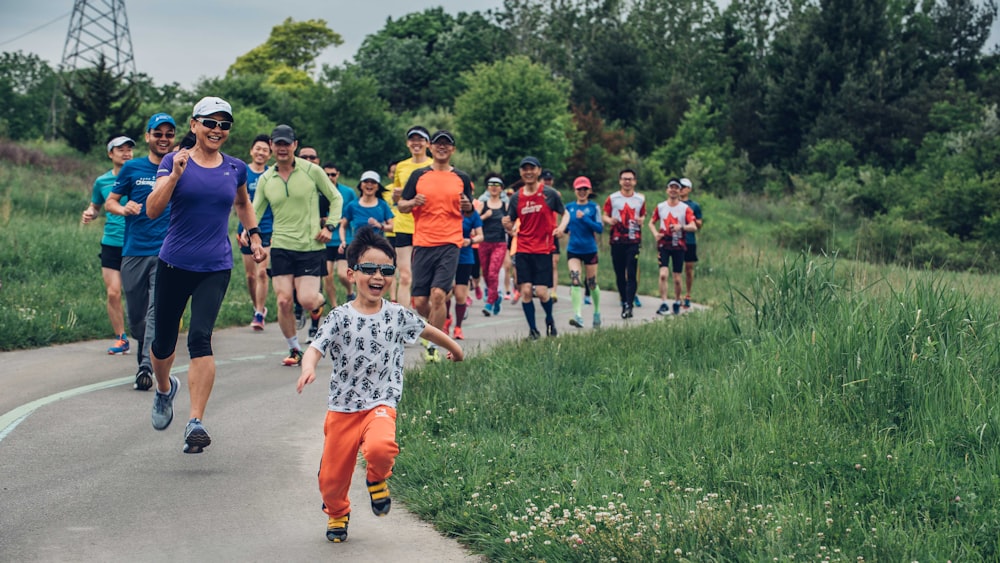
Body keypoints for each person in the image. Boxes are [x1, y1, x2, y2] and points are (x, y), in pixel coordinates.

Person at [296, 226, 463, 543]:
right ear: (351, 273)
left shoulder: (397, 314)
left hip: (381, 403)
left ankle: (376, 480)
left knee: (381, 449)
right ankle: (337, 512)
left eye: (386, 270)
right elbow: (316, 347)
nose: (378, 276)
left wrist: (454, 348)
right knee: (331, 482)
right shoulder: (339, 317)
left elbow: (427, 330)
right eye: (369, 268)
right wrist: (308, 367)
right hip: (342, 409)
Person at [145, 96, 265, 454]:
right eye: (209, 123)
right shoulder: (173, 161)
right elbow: (153, 210)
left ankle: (195, 421)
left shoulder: (236, 168)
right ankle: (165, 389)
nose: (217, 130)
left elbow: (242, 203)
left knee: (200, 338)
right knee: (164, 342)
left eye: (224, 125)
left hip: (215, 266)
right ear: (194, 125)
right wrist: (175, 176)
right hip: (173, 264)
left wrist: (254, 235)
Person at [253, 124, 343, 367]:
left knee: (305, 300)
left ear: (294, 145)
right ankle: (294, 348)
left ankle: (319, 303)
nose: (282, 148)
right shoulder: (265, 179)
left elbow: (336, 198)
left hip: (310, 247)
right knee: (283, 301)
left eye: (286, 144)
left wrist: (330, 226)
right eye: (278, 144)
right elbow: (254, 211)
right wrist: (249, 234)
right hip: (281, 245)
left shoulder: (311, 171)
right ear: (272, 146)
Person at [106, 113, 175, 391]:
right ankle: (142, 349)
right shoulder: (132, 168)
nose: (163, 139)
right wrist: (124, 208)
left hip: (166, 251)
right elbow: (111, 202)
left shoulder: (178, 168)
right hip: (134, 250)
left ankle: (146, 366)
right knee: (137, 315)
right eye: (158, 133)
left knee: (155, 311)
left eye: (169, 134)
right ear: (148, 136)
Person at [397, 129, 473, 362]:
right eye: (438, 144)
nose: (442, 147)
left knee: (438, 295)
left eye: (447, 144)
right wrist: (411, 202)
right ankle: (437, 325)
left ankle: (433, 345)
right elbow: (401, 205)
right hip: (422, 242)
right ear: (431, 147)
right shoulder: (418, 176)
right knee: (420, 301)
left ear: (453, 149)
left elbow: (469, 208)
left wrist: (467, 205)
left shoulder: (462, 177)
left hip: (450, 242)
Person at [81, 134, 134, 354]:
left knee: (139, 294)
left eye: (129, 149)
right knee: (113, 292)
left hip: (136, 243)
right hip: (111, 242)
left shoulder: (140, 176)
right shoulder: (102, 181)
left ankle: (153, 334)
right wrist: (90, 213)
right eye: (120, 149)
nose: (126, 153)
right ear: (110, 154)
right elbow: (96, 205)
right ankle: (121, 338)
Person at [503, 156, 566, 340]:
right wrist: (506, 224)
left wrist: (561, 228)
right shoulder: (516, 198)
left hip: (543, 249)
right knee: (525, 291)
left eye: (532, 168)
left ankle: (549, 319)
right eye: (524, 169)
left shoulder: (550, 194)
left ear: (538, 171)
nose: (528, 172)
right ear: (521, 172)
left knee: (542, 292)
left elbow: (566, 214)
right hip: (523, 249)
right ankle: (533, 330)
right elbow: (511, 225)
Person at [387, 126, 432, 308]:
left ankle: (435, 313)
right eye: (412, 140)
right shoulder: (401, 167)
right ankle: (403, 322)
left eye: (420, 140)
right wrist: (397, 196)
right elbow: (397, 196)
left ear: (427, 144)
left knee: (424, 277)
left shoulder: (433, 165)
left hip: (427, 225)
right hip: (404, 224)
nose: (416, 143)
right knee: (404, 276)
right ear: (407, 143)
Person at [239, 134, 273, 331]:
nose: (261, 153)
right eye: (258, 149)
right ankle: (256, 306)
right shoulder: (242, 172)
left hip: (267, 229)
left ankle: (259, 313)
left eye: (265, 150)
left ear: (269, 155)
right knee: (250, 275)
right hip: (244, 230)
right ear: (251, 151)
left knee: (262, 273)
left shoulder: (271, 175)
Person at [649, 178, 698, 315]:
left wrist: (680, 227)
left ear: (679, 190)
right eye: (671, 187)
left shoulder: (685, 208)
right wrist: (655, 234)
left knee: (677, 278)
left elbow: (694, 226)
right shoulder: (660, 207)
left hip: (679, 245)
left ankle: (677, 301)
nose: (673, 190)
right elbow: (651, 222)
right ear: (667, 189)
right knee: (663, 274)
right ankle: (663, 302)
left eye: (676, 188)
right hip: (664, 244)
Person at [560, 176, 604, 328]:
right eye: (579, 189)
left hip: (590, 249)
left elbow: (599, 228)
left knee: (591, 283)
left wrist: (585, 218)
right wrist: (562, 230)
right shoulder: (569, 207)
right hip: (573, 250)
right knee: (575, 279)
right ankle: (577, 315)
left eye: (585, 189)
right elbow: (565, 227)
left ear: (589, 191)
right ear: (575, 190)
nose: (582, 192)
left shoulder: (594, 208)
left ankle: (597, 312)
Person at [603, 168, 646, 319]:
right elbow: (605, 215)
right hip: (617, 239)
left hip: (633, 240)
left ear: (634, 181)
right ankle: (623, 298)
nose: (627, 182)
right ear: (620, 181)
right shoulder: (612, 198)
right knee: (620, 273)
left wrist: (642, 221)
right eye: (624, 179)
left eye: (630, 179)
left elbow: (642, 215)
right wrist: (609, 220)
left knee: (632, 272)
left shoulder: (640, 199)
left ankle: (629, 305)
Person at [322, 163, 358, 312]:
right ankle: (335, 307)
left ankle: (350, 293)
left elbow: (354, 211)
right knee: (327, 276)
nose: (330, 178)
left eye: (333, 174)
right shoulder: (319, 192)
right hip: (325, 239)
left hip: (344, 238)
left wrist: (345, 221)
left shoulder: (348, 192)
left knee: (343, 274)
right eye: (327, 175)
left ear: (338, 175)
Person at [477, 173, 508, 317]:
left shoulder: (505, 206)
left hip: (499, 243)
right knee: (485, 274)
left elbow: (512, 224)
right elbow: (474, 223)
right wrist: (485, 216)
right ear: (487, 188)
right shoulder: (482, 205)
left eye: (497, 185)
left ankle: (489, 303)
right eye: (491, 185)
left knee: (493, 273)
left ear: (501, 188)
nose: (494, 188)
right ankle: (496, 297)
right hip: (484, 243)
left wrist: (508, 226)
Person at [452, 203, 483, 340]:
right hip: (445, 256)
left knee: (460, 295)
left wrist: (470, 241)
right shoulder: (447, 209)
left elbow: (480, 236)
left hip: (465, 257)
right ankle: (446, 318)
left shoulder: (471, 213)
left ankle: (458, 327)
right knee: (444, 293)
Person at [339, 170, 394, 242]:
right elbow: (343, 226)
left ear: (377, 187)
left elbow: (392, 227)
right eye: (366, 181)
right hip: (359, 245)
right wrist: (343, 241)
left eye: (373, 182)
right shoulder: (352, 205)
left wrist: (380, 225)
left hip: (378, 245)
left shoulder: (382, 205)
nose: (369, 184)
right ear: (361, 185)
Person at [679, 177, 703, 309]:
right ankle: (678, 295)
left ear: (689, 189)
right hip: (676, 240)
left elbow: (699, 224)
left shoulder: (694, 205)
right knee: (677, 270)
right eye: (679, 186)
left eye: (684, 187)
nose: (681, 189)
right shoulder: (673, 203)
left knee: (688, 268)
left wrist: (692, 219)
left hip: (689, 240)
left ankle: (688, 295)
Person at [540, 169, 562, 302]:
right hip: (540, 233)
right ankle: (542, 288)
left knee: (554, 263)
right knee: (541, 262)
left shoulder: (555, 194)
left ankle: (553, 291)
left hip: (552, 232)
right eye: (545, 180)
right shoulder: (536, 193)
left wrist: (560, 227)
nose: (547, 182)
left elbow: (560, 212)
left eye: (549, 180)